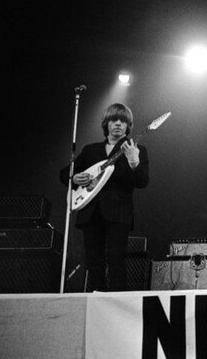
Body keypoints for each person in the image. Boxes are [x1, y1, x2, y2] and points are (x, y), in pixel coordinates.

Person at [61, 103, 150, 292]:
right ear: (106, 124)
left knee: (116, 258)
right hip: (90, 212)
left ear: (128, 126)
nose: (118, 124)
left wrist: (134, 161)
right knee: (94, 260)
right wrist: (75, 177)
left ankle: (117, 303)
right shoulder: (91, 150)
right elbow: (64, 174)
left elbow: (142, 181)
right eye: (113, 120)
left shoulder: (136, 148)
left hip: (118, 212)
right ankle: (96, 299)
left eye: (123, 121)